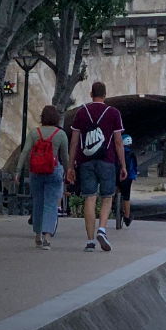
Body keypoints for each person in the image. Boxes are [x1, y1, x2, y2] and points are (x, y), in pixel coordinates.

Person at [66, 81, 126, 252]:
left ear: (91, 94)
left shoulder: (81, 112)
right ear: (105, 95)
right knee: (107, 196)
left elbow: (75, 141)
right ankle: (102, 229)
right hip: (107, 160)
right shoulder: (113, 113)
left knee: (89, 198)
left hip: (85, 161)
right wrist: (123, 165)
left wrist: (70, 166)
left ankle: (90, 241)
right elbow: (118, 142)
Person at [17, 104, 69, 249]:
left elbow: (24, 152)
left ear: (42, 118)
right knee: (51, 204)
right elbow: (65, 157)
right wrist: (69, 171)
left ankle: (37, 235)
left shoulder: (34, 133)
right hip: (54, 172)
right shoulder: (60, 134)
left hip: (36, 172)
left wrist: (17, 171)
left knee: (38, 203)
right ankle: (47, 236)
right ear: (57, 118)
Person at [119, 133, 139, 227]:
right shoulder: (131, 153)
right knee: (126, 196)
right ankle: (127, 217)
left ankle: (114, 205)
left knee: (115, 190)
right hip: (127, 177)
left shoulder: (117, 151)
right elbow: (134, 167)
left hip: (117, 175)